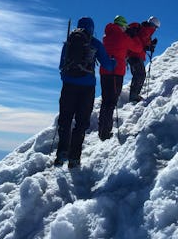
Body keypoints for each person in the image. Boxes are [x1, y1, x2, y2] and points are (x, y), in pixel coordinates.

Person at [56, 17, 115, 168]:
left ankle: (61, 153)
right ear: (92, 28)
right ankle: (74, 158)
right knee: (81, 122)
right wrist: (113, 61)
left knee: (65, 119)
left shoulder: (68, 43)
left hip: (68, 86)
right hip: (87, 87)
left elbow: (61, 66)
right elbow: (108, 66)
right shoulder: (95, 43)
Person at [97, 15, 144, 140]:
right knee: (111, 102)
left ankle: (102, 130)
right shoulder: (123, 37)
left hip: (104, 72)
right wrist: (133, 36)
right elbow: (138, 48)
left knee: (105, 101)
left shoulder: (105, 37)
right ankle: (105, 133)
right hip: (116, 73)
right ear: (122, 26)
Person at [126, 16, 160, 103]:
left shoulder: (145, 32)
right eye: (155, 26)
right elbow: (141, 42)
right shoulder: (144, 30)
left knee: (139, 74)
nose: (155, 29)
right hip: (135, 55)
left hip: (135, 55)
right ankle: (133, 96)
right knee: (140, 74)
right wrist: (150, 45)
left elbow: (143, 44)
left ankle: (134, 96)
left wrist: (151, 45)